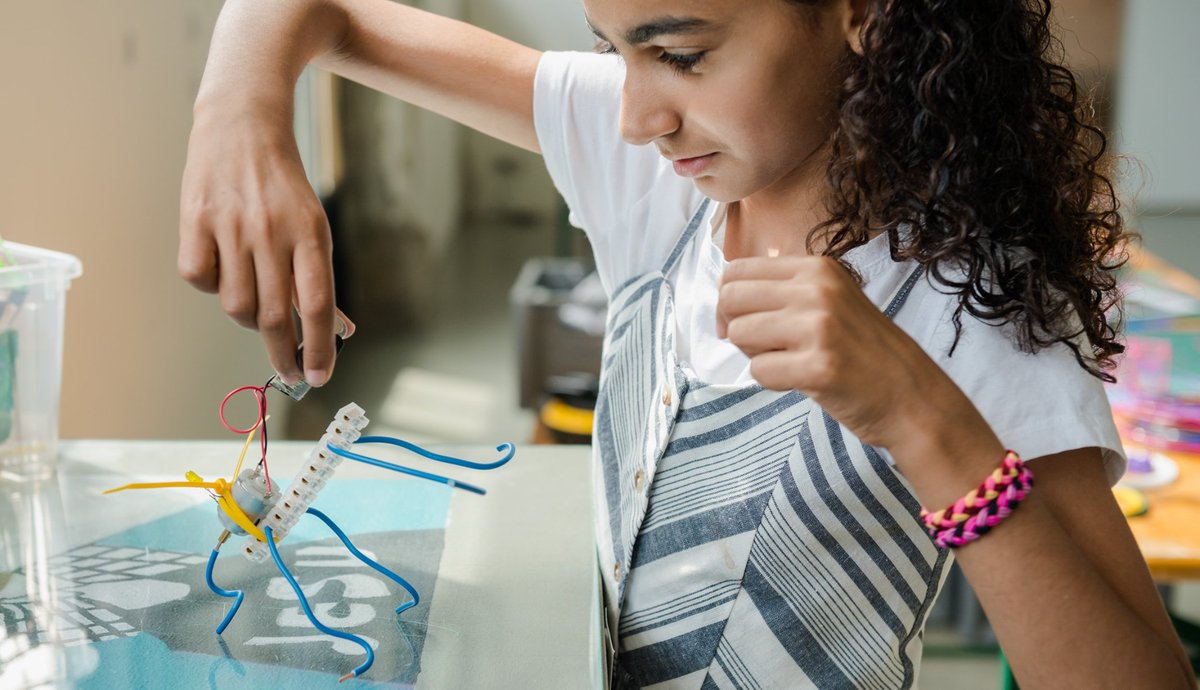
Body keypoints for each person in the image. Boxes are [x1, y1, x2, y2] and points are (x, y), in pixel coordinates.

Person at [178, 0, 1196, 687]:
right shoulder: (668, 183)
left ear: (864, 15)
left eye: (681, 54)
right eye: (614, 48)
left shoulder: (971, 301)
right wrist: (238, 110)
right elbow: (312, 11)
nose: (634, 115)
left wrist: (926, 422)